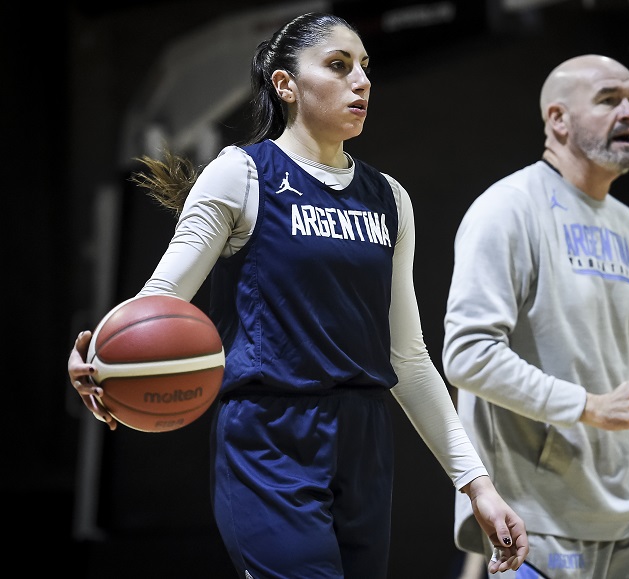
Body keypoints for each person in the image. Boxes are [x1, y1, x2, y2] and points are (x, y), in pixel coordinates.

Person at [66, 12, 529, 579]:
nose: (360, 81)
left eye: (365, 67)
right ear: (286, 85)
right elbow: (161, 298)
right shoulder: (241, 173)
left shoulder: (390, 200)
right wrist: (101, 352)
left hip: (364, 443)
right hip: (269, 438)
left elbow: (407, 358)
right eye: (338, 66)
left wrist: (476, 485)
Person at [442, 54, 629, 579]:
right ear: (558, 120)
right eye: (608, 99)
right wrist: (589, 406)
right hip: (539, 525)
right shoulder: (507, 209)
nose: (628, 113)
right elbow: (467, 355)